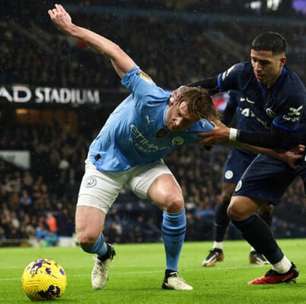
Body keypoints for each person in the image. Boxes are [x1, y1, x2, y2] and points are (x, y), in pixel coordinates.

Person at [48, 4, 220, 291]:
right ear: (174, 99)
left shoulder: (197, 127)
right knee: (87, 238)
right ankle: (105, 254)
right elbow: (114, 50)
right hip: (107, 161)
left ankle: (171, 275)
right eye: (179, 114)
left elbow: (232, 135)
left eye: (186, 122)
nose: (178, 123)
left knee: (175, 201)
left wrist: (279, 150)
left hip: (146, 165)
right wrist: (71, 29)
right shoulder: (149, 93)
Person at [192, 32, 306, 284]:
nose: (257, 67)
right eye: (254, 59)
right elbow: (210, 84)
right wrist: (181, 92)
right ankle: (283, 269)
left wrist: (228, 133)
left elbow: (278, 139)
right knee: (237, 209)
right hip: (278, 152)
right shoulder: (242, 73)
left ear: (282, 62)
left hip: (296, 146)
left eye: (264, 62)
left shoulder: (293, 92)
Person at [202, 91, 271, 267]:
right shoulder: (238, 87)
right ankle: (217, 249)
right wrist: (213, 135)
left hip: (264, 152)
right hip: (240, 152)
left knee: (266, 206)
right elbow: (228, 115)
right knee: (226, 196)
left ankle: (257, 251)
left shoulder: (275, 90)